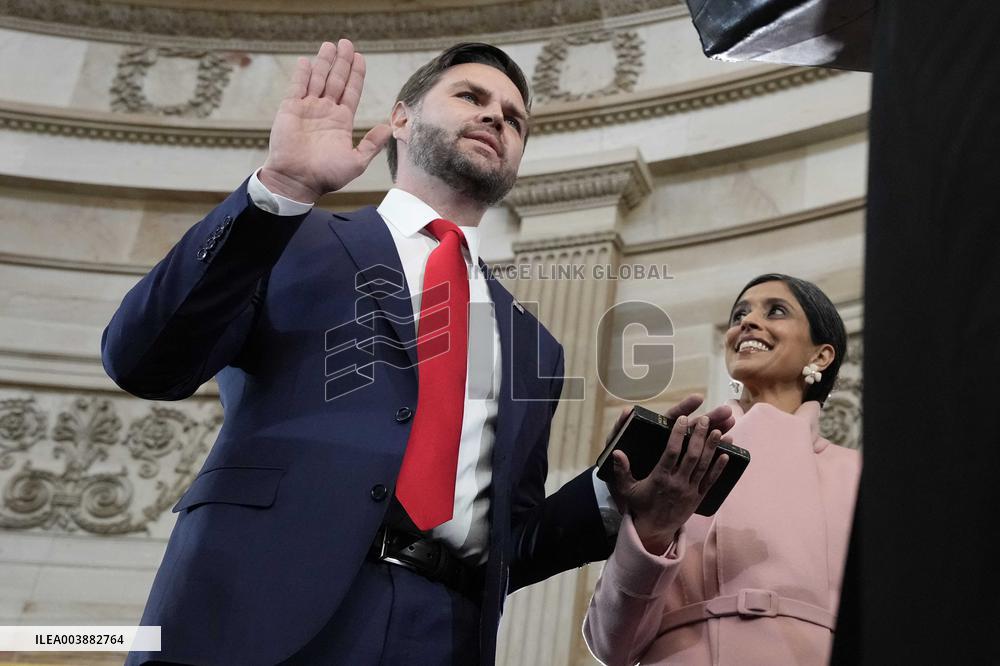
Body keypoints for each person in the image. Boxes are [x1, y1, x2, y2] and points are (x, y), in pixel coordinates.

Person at [104, 40, 731, 666]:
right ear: (401, 118)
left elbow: (511, 544)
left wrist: (615, 494)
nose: (496, 119)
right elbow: (144, 360)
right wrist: (282, 188)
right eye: (471, 97)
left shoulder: (531, 341)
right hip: (250, 615)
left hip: (441, 635)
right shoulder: (293, 237)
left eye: (515, 120)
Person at [584, 274, 861, 665]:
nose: (746, 323)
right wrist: (652, 530)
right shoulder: (678, 466)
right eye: (739, 314)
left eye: (776, 311)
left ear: (820, 356)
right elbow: (610, 644)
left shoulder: (856, 474)